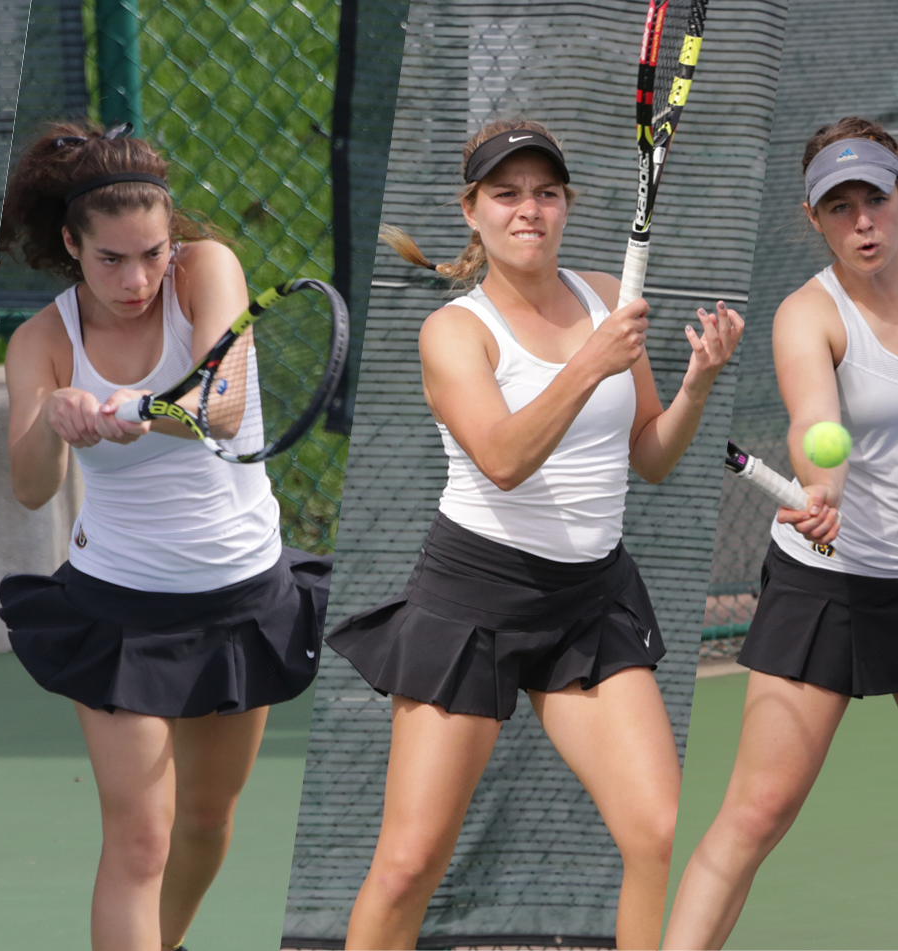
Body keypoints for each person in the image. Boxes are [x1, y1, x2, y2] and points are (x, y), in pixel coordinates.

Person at [330, 118, 742, 951]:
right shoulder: (455, 331)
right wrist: (590, 361)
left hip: (589, 600)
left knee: (657, 830)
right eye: (507, 194)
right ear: (472, 211)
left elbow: (650, 456)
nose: (529, 210)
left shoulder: (602, 298)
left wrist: (696, 385)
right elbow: (504, 458)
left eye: (545, 193)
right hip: (471, 601)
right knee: (409, 863)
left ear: (567, 205)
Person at [664, 118, 898, 951]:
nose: (862, 221)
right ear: (813, 218)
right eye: (839, 206)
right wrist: (822, 490)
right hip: (832, 583)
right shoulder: (805, 315)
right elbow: (817, 423)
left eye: (875, 199)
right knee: (758, 810)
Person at [0, 120, 332, 951]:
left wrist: (135, 409)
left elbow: (219, 405)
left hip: (243, 594)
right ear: (72, 245)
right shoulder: (41, 341)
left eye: (153, 251)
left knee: (208, 822)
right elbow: (32, 486)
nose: (138, 276)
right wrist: (55, 419)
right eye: (112, 258)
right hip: (119, 610)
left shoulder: (207, 270)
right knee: (141, 836)